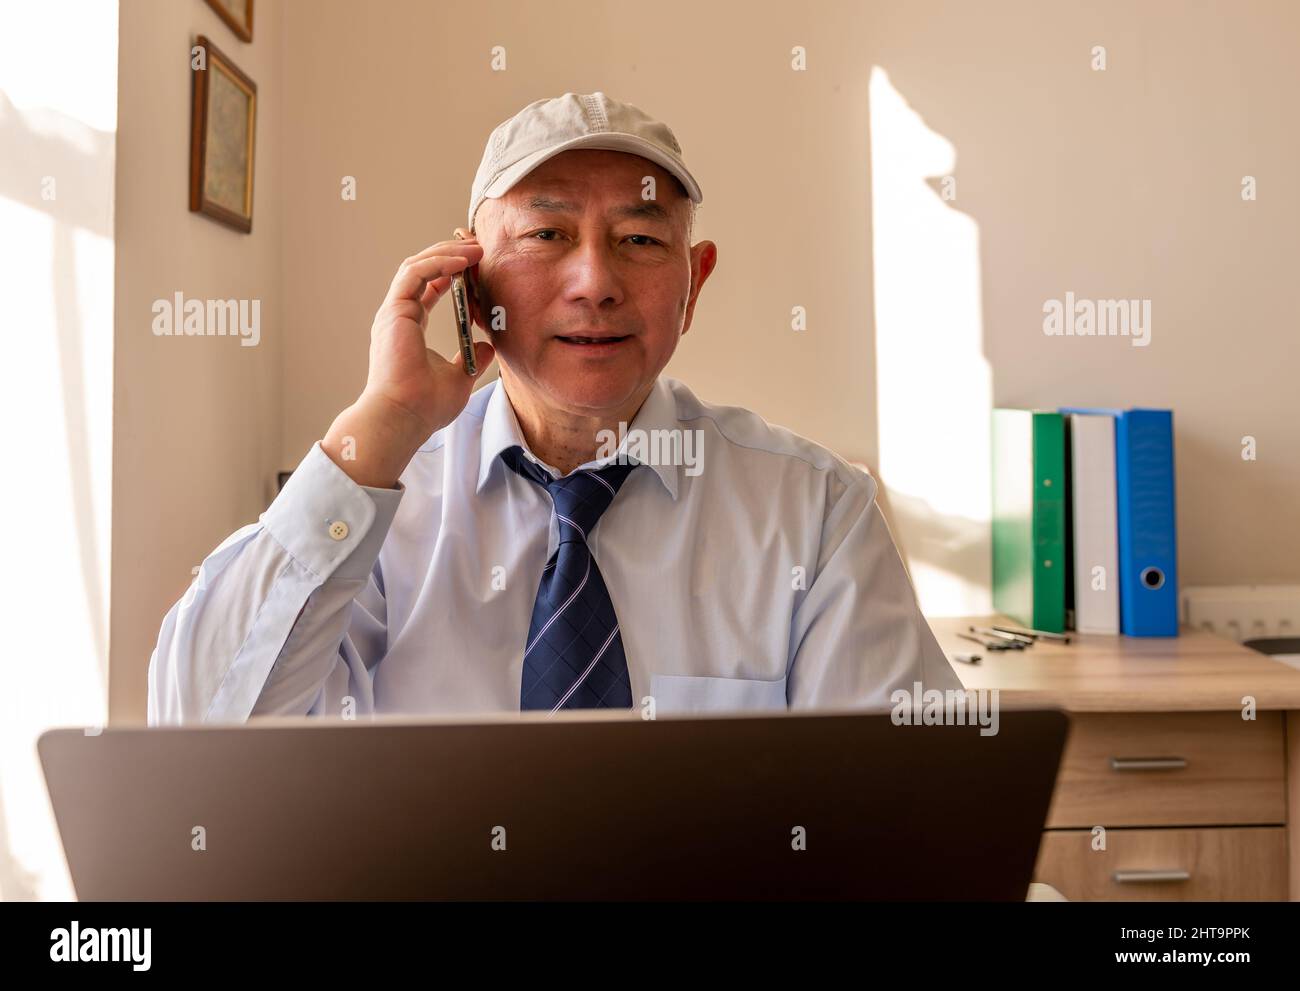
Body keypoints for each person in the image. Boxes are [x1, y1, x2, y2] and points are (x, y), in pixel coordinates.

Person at [147, 91, 962, 724]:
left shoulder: (816, 512)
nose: (595, 282)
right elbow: (199, 726)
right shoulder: (375, 512)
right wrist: (381, 423)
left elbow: (902, 807)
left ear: (695, 282)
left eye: (640, 239)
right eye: (546, 235)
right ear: (470, 277)